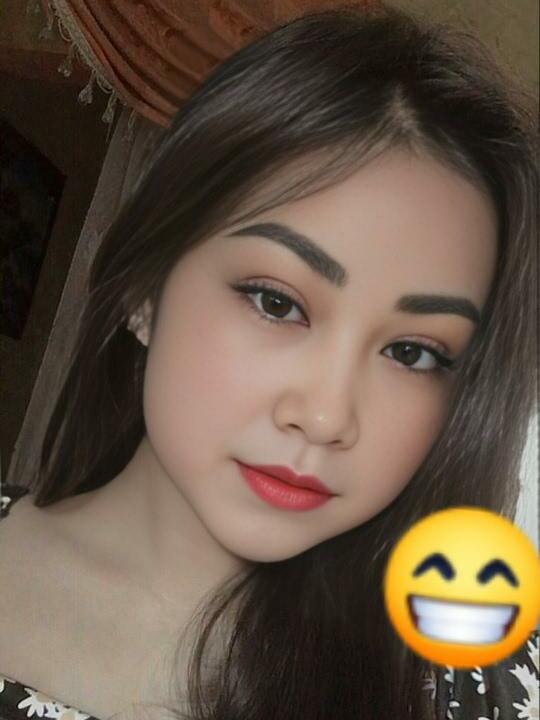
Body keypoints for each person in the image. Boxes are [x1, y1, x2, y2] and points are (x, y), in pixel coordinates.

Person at [0, 4, 538, 719]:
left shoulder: (482, 673)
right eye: (277, 303)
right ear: (144, 289)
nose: (326, 417)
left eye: (412, 352)